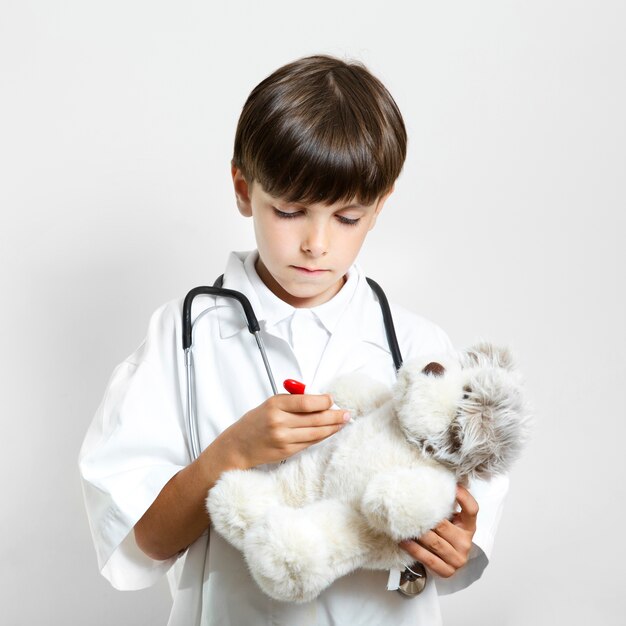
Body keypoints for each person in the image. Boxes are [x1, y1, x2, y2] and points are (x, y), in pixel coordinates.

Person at [79, 54, 509, 625]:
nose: (316, 243)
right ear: (242, 188)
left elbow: (452, 535)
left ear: (380, 207)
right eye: (289, 210)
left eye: (348, 218)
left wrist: (451, 546)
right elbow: (143, 543)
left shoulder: (419, 348)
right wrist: (228, 455)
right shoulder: (182, 338)